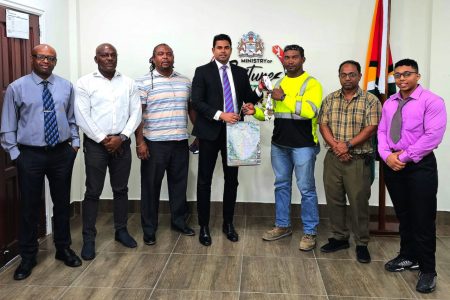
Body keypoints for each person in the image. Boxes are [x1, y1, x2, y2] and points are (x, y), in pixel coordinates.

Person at [0, 44, 82, 280]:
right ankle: (27, 256)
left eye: (51, 58)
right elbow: (7, 125)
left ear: (55, 62)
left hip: (61, 153)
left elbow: (72, 118)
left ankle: (63, 249)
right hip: (30, 155)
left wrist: (74, 144)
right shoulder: (17, 88)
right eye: (41, 57)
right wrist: (17, 155)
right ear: (33, 58)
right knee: (29, 207)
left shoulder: (66, 86)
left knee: (62, 204)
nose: (46, 61)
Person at [378, 59, 446, 293]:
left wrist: (403, 157)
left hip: (419, 165)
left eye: (407, 74)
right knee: (404, 215)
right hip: (393, 164)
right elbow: (382, 131)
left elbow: (432, 137)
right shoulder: (389, 103)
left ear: (418, 76)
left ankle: (428, 270)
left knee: (423, 218)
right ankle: (408, 256)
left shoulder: (432, 101)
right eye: (397, 75)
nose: (402, 79)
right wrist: (387, 156)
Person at [245, 44, 322, 251]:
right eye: (286, 57)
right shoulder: (279, 82)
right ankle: (282, 225)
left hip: (304, 146)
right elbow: (270, 113)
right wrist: (255, 111)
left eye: (294, 57)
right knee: (281, 185)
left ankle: (310, 231)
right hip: (280, 144)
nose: (290, 61)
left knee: (306, 189)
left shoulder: (312, 84)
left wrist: (285, 97)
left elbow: (310, 112)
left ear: (303, 59)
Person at [191, 34, 261, 246]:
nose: (223, 51)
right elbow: (197, 102)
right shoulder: (202, 72)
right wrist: (220, 114)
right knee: (204, 180)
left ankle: (228, 223)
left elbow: (250, 97)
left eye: (226, 47)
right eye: (219, 47)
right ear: (213, 50)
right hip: (209, 133)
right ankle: (204, 226)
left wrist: (258, 94)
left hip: (235, 134)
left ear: (231, 50)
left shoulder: (240, 72)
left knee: (232, 180)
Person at [74, 43, 142, 260]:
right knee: (93, 191)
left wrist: (121, 137)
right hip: (96, 144)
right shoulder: (84, 83)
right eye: (104, 55)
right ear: (96, 59)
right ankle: (89, 239)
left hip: (121, 141)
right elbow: (82, 114)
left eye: (113, 55)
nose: (109, 58)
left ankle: (121, 231)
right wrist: (104, 139)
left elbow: (136, 113)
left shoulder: (128, 83)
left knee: (121, 189)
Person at [318, 60, 381, 263]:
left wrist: (347, 145)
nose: (347, 78)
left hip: (358, 159)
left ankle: (361, 242)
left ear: (360, 76)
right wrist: (337, 146)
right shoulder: (329, 99)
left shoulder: (371, 100)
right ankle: (339, 238)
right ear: (339, 76)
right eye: (344, 74)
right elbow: (323, 125)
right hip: (333, 159)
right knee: (334, 200)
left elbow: (371, 127)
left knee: (358, 203)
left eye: (352, 74)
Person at [135, 43, 195, 246]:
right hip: (154, 144)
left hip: (180, 142)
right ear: (153, 59)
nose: (165, 57)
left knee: (179, 186)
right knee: (150, 187)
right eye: (160, 54)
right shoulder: (143, 82)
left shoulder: (185, 81)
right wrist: (140, 142)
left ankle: (179, 222)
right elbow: (138, 115)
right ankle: (149, 229)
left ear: (173, 57)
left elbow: (190, 110)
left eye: (169, 53)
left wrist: (199, 134)